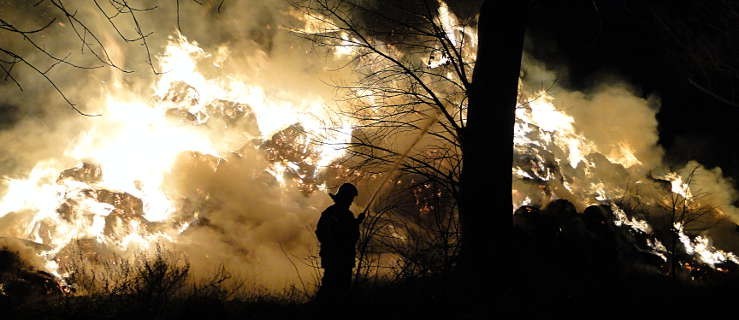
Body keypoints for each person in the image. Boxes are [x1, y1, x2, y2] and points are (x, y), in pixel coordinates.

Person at [314, 183, 365, 303]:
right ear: (343, 198)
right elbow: (322, 233)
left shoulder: (348, 215)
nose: (351, 201)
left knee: (343, 288)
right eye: (349, 198)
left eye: (351, 199)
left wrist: (356, 223)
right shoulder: (330, 213)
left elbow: (352, 236)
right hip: (334, 258)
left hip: (345, 258)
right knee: (330, 287)